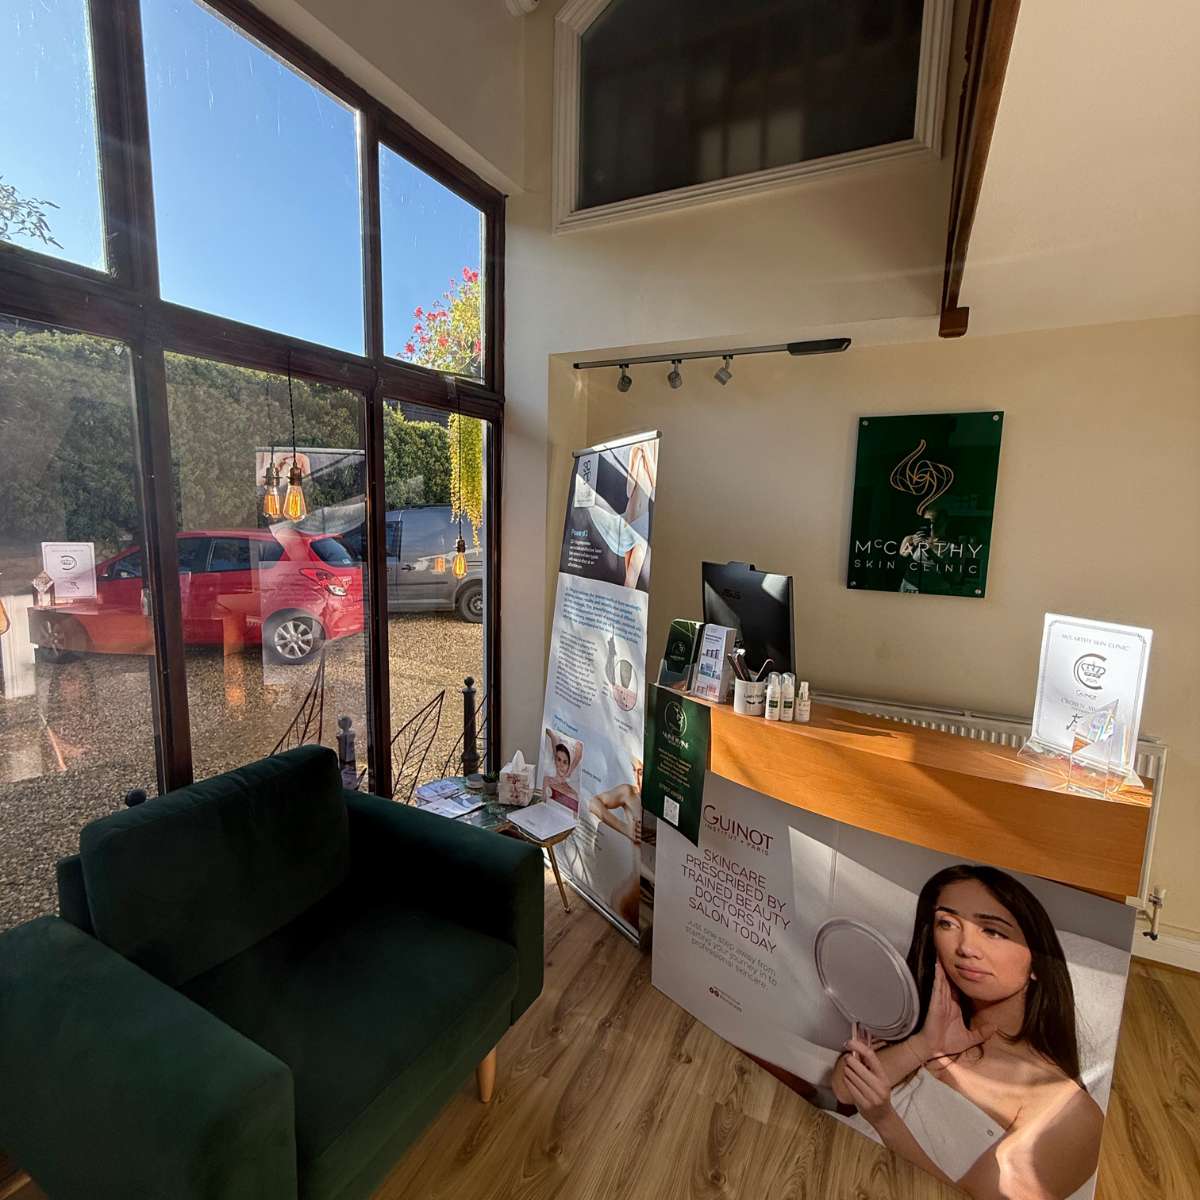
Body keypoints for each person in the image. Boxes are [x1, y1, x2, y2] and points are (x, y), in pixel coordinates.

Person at [831, 865, 1103, 1200]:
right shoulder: (928, 1025)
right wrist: (922, 1045)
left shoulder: (1067, 1107)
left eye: (992, 931)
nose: (965, 947)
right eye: (948, 924)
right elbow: (843, 1089)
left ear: (1036, 961)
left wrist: (886, 1121)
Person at [588, 757, 643, 927]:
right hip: (628, 896)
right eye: (634, 770)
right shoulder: (629, 793)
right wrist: (626, 829)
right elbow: (594, 803)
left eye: (641, 772)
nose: (637, 778)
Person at [541, 730, 582, 808]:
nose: (561, 765)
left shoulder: (573, 795)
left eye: (565, 762)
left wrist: (570, 771)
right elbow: (542, 804)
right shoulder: (547, 781)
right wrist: (553, 738)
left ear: (569, 765)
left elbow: (579, 749)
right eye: (559, 760)